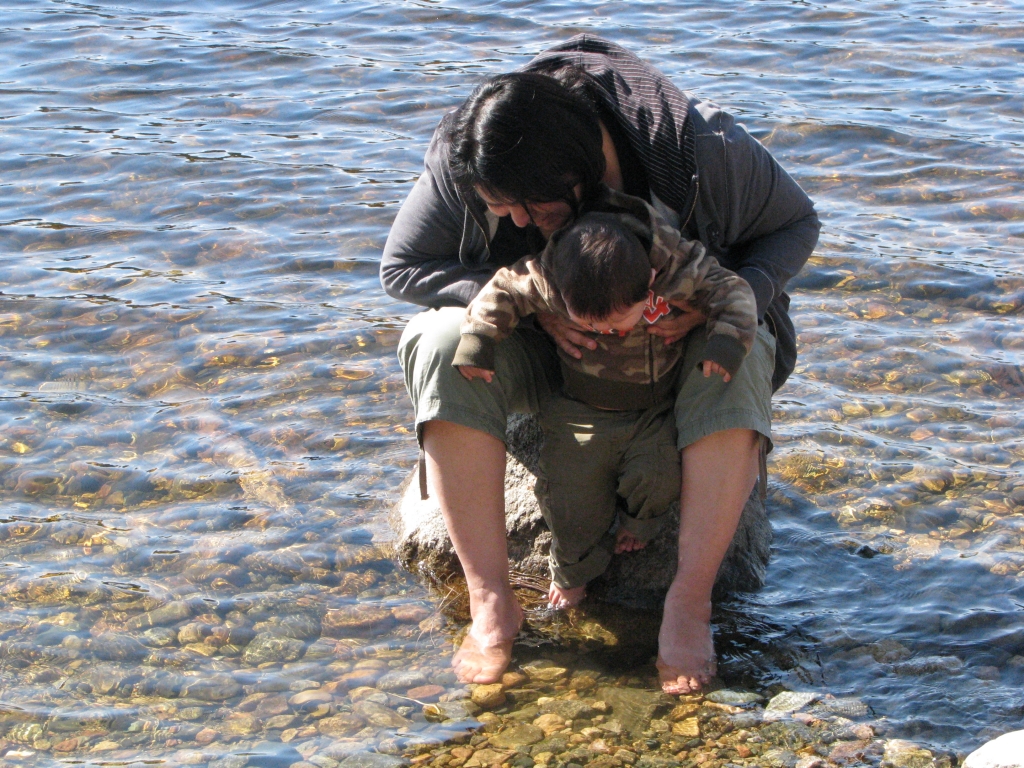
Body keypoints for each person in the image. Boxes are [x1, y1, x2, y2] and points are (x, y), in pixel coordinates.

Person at [381, 35, 819, 693]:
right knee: (440, 341)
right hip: (556, 352)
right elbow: (402, 267)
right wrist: (531, 305)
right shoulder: (478, 155)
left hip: (682, 342)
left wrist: (720, 308)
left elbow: (797, 225)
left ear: (584, 170)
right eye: (504, 210)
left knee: (746, 339)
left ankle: (689, 602)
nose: (519, 220)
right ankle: (491, 597)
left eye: (534, 207)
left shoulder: (698, 148)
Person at [452, 187, 758, 610]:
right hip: (579, 410)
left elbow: (735, 291)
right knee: (569, 496)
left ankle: (637, 524)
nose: (604, 331)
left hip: (654, 409)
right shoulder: (551, 274)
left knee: (659, 475)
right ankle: (573, 573)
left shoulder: (671, 266)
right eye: (589, 323)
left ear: (648, 286)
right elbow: (502, 291)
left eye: (617, 321)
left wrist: (726, 344)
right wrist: (478, 341)